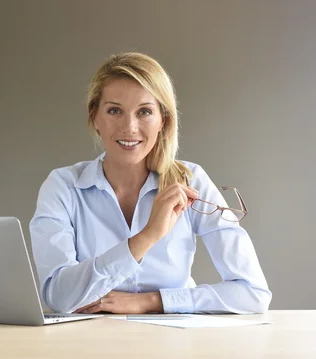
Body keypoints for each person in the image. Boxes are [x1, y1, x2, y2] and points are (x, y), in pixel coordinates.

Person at [29, 52, 271, 315]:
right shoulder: (63, 186)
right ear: (95, 118)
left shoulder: (190, 180)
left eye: (144, 111)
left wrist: (153, 302)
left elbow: (253, 293)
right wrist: (147, 237)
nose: (129, 127)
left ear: (162, 121)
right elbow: (59, 297)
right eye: (114, 111)